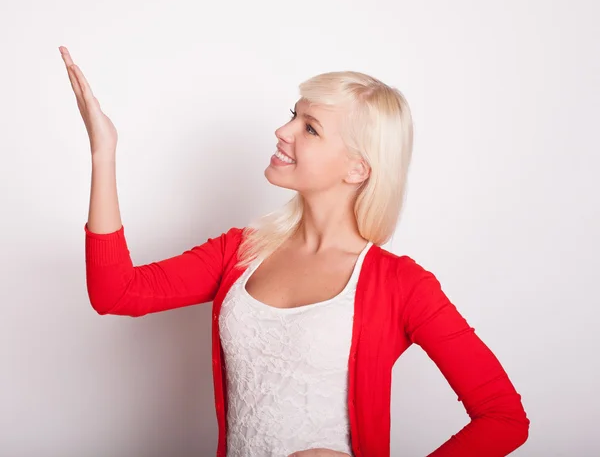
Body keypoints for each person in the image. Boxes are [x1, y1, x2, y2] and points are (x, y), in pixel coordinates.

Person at [60, 45, 530, 457]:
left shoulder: (402, 286)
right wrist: (104, 153)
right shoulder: (240, 252)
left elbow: (503, 418)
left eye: (310, 128)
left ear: (357, 169)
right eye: (293, 114)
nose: (283, 131)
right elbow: (115, 292)